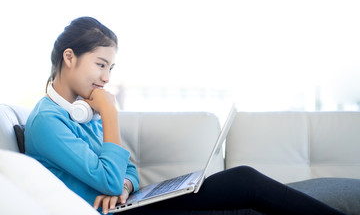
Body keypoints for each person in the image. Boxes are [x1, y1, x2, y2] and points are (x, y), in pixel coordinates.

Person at [25, 17, 345, 215]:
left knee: (241, 180)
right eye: (100, 64)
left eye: (110, 67)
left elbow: (128, 169)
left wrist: (124, 185)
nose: (106, 77)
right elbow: (106, 178)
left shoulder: (82, 110)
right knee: (243, 181)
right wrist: (109, 114)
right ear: (70, 57)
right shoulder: (48, 122)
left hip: (125, 204)